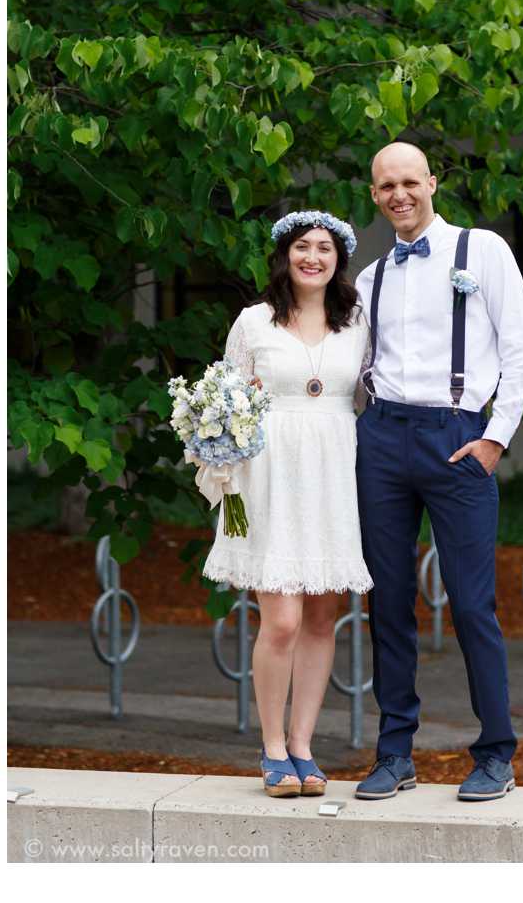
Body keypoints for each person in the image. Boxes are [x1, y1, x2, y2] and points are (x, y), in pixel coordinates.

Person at [351, 141, 523, 804]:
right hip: (382, 440)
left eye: (410, 180)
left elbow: (520, 348)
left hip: (459, 439)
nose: (399, 193)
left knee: (470, 604)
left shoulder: (482, 251)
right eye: (386, 186)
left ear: (432, 182)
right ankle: (395, 752)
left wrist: (495, 439)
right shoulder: (369, 279)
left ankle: (495, 753)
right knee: (389, 605)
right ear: (373, 195)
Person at [200, 210, 372, 799]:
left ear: (338, 260)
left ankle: (303, 745)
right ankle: (271, 748)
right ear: (285, 254)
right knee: (283, 620)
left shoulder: (357, 323)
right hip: (269, 477)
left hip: (334, 475)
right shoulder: (254, 322)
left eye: (325, 249)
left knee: (323, 618)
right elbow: (224, 404)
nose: (313, 257)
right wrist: (224, 480)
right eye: (303, 246)